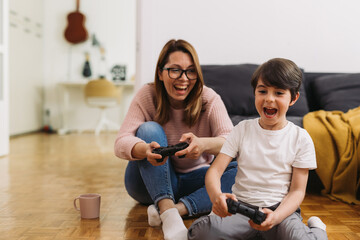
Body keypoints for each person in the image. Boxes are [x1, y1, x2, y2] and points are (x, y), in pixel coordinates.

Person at [188, 58, 328, 240]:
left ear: (293, 98)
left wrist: (276, 217)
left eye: (279, 93)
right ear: (254, 92)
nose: (269, 99)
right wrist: (217, 197)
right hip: (241, 210)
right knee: (200, 232)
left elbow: (297, 191)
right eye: (262, 91)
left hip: (280, 213)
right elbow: (214, 172)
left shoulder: (301, 138)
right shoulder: (242, 129)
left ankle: (317, 228)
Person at [114, 39, 237, 240]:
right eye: (175, 70)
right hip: (147, 182)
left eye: (190, 71)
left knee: (240, 171)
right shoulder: (147, 94)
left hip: (195, 180)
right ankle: (167, 209)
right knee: (148, 130)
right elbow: (120, 142)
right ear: (161, 73)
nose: (184, 78)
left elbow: (232, 142)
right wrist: (144, 150)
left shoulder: (209, 98)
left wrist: (204, 144)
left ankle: (174, 210)